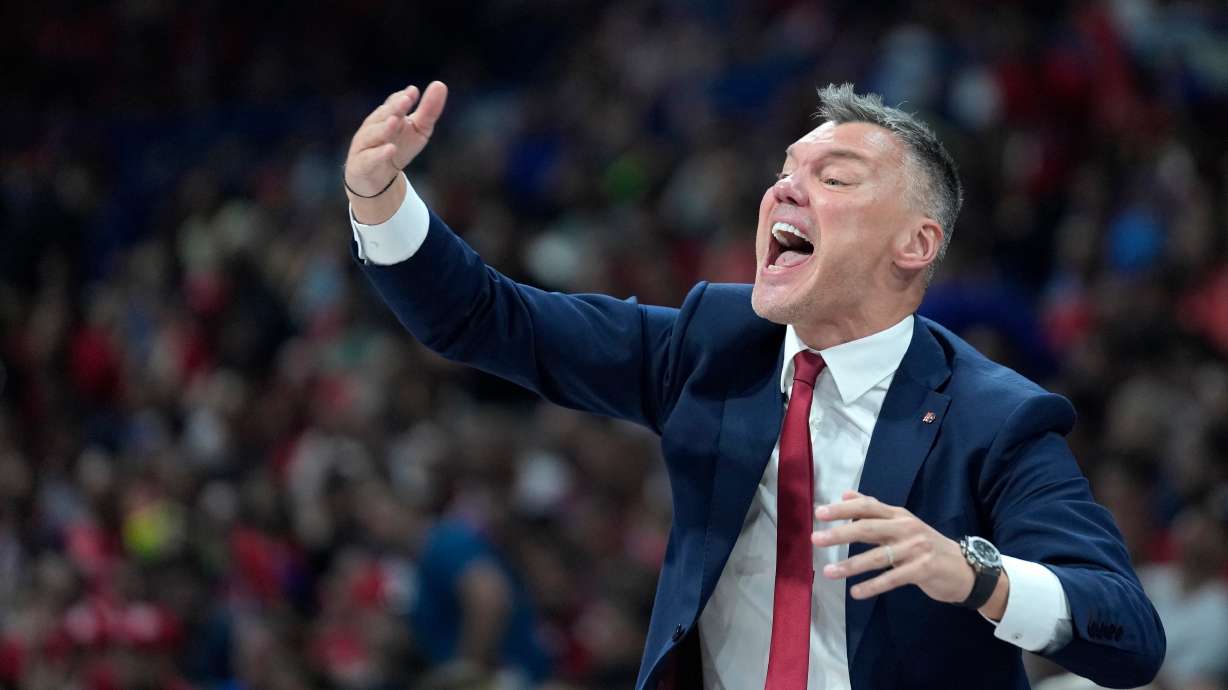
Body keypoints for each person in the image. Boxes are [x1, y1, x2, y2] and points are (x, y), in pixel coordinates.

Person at [340, 80, 1166, 690]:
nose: (787, 187)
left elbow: (1127, 632)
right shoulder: (714, 343)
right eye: (786, 170)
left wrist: (973, 573)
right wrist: (378, 199)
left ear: (915, 244)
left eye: (834, 177)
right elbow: (494, 320)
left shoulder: (994, 418)